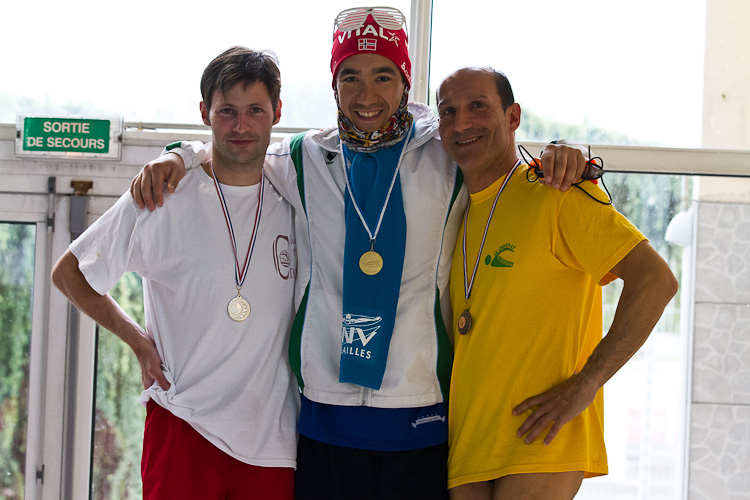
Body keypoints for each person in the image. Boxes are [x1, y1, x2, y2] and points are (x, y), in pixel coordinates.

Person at [129, 8, 587, 499]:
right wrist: (180, 153)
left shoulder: (447, 155)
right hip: (325, 419)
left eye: (382, 76)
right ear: (334, 85)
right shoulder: (304, 157)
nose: (366, 95)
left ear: (405, 82)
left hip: (420, 414)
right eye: (350, 77)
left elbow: (498, 148)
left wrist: (563, 150)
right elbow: (239, 144)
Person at [51, 47, 299, 500]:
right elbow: (70, 273)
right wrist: (137, 341)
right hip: (183, 424)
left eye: (255, 111)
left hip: (273, 442)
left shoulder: (295, 193)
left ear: (277, 113)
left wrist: (183, 152)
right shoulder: (162, 196)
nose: (241, 126)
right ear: (205, 113)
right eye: (227, 111)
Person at [436, 67, 678, 500]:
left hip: (542, 437)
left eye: (478, 106)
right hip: (469, 443)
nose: (461, 123)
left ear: (513, 117)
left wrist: (585, 385)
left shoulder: (557, 191)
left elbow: (656, 280)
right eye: (448, 111)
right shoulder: (453, 207)